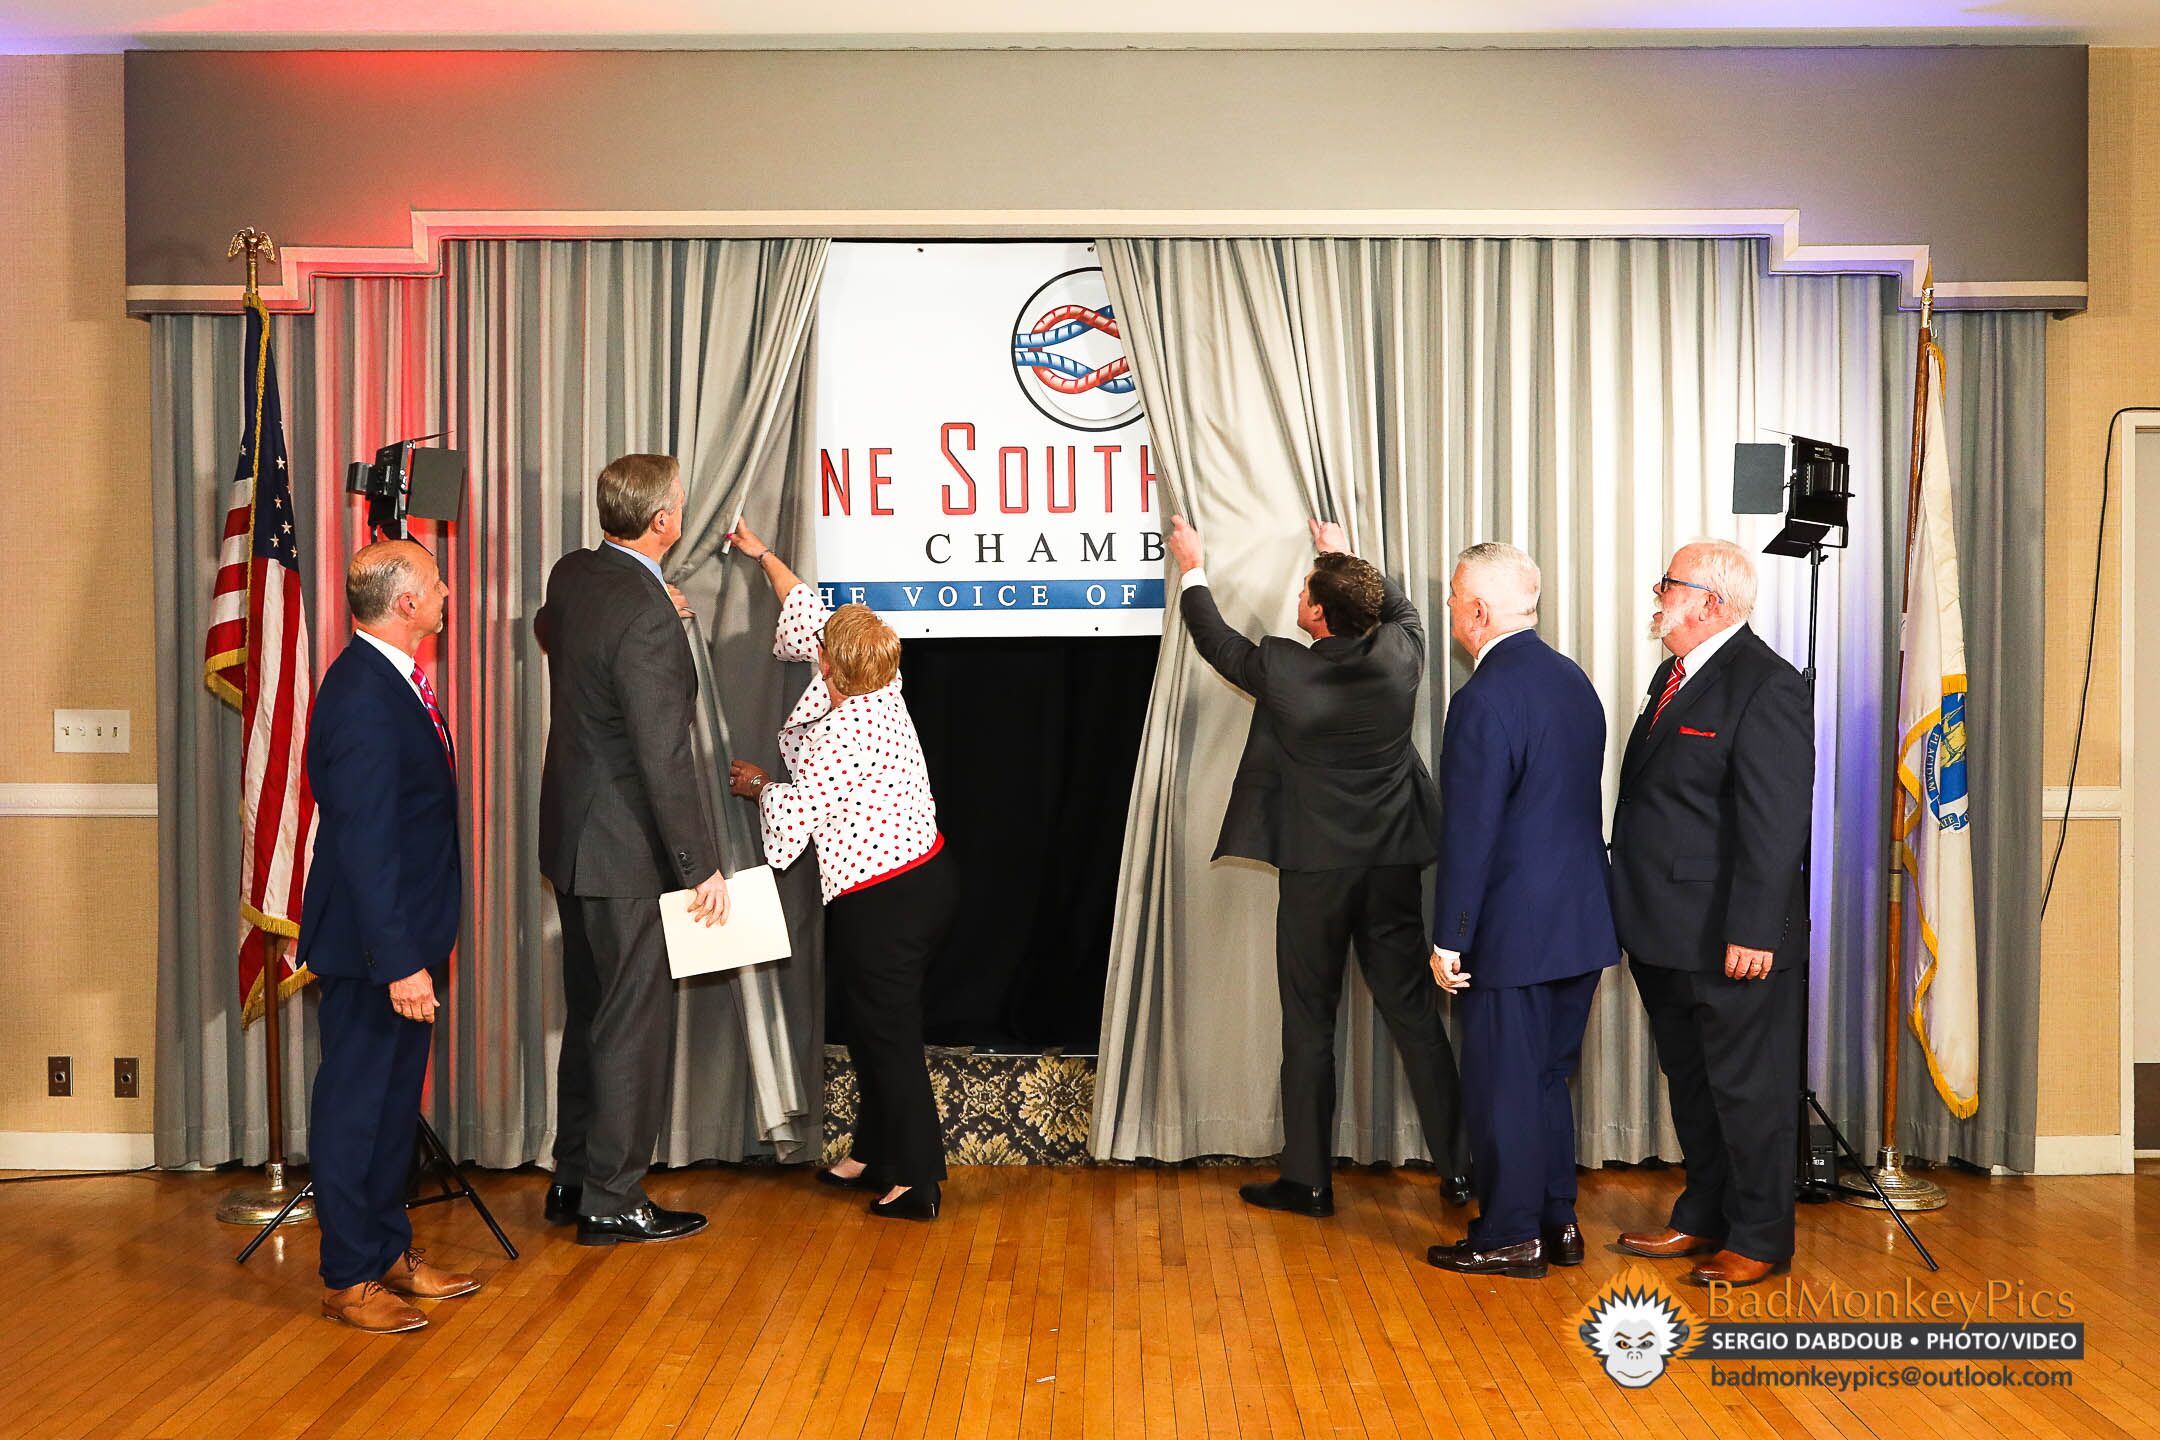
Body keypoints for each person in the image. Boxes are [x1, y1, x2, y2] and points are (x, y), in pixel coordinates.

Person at [1165, 513, 1470, 1218]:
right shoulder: (1402, 651)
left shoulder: (1285, 668)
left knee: (1308, 1024)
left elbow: (1215, 640)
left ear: (1321, 618)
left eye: (1308, 592)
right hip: (1391, 865)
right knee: (1415, 1017)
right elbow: (1396, 605)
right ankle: (1459, 1170)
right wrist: (1344, 556)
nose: (1298, 598)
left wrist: (1193, 565)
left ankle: (1307, 1181)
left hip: (1315, 872)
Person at [724, 522, 956, 1222]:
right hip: (919, 879)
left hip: (885, 897)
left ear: (827, 666)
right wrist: (764, 554)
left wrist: (758, 786)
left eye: (820, 648)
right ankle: (873, 1151)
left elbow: (795, 819)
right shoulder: (883, 676)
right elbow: (806, 607)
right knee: (870, 1024)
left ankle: (917, 1180)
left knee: (887, 1034)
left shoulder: (839, 735)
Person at [536, 453, 729, 1247]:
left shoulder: (574, 574)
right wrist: (700, 865)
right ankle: (612, 1201)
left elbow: (552, 629)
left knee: (593, 1013)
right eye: (678, 502)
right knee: (630, 1027)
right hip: (621, 852)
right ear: (663, 522)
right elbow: (663, 757)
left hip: (571, 838)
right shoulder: (644, 612)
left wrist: (654, 605)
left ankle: (575, 1177)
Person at [1611, 539, 1814, 1288]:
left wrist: (1754, 930)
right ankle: (1703, 1214)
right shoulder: (1674, 674)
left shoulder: (1767, 683)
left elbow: (1776, 822)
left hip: (1731, 937)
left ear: (1711, 603)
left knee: (1748, 1092)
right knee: (1693, 1086)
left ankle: (1759, 1235)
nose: (1657, 594)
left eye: (1668, 583)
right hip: (1664, 929)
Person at [1423, 543, 1618, 1280]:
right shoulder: (1574, 681)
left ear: (1478, 611)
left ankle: (1508, 1234)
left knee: (1503, 1085)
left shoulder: (1482, 698)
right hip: (1581, 923)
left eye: (1453, 595)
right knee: (1545, 1081)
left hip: (1512, 933)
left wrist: (1450, 938)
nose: (1448, 606)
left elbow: (1470, 832)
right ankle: (1556, 1222)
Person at [300, 539, 480, 1334]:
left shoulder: (392, 678)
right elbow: (365, 843)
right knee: (356, 1111)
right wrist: (401, 962)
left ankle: (388, 1252)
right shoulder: (363, 695)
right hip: (374, 950)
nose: (447, 594)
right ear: (407, 603)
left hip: (405, 940)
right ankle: (348, 1277)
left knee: (394, 1108)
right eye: (437, 585)